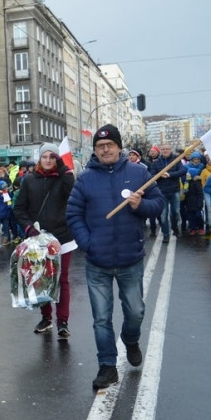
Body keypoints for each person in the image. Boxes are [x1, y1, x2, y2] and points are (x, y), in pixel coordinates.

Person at [66, 124, 164, 390]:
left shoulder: (138, 172)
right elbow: (73, 214)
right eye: (100, 146)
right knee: (101, 318)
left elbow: (158, 203)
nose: (105, 149)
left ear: (119, 147)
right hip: (98, 262)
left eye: (109, 145)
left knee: (136, 311)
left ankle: (130, 339)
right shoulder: (85, 178)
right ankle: (107, 366)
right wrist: (88, 243)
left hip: (130, 259)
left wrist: (140, 205)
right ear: (95, 151)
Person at [13, 143, 76, 339]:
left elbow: (73, 196)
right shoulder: (29, 180)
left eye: (52, 157)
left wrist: (64, 169)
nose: (48, 160)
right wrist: (28, 228)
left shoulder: (64, 178)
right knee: (42, 278)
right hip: (38, 239)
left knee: (61, 279)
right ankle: (46, 318)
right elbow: (19, 209)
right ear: (39, 159)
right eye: (45, 157)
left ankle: (63, 322)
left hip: (62, 238)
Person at [149, 143, 186, 243]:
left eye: (167, 149)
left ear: (171, 150)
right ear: (161, 151)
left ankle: (174, 228)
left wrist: (170, 174)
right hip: (162, 191)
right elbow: (152, 176)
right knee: (163, 214)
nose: (165, 151)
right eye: (163, 149)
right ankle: (166, 234)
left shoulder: (176, 160)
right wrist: (161, 175)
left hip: (174, 190)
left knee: (176, 212)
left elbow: (182, 171)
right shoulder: (156, 162)